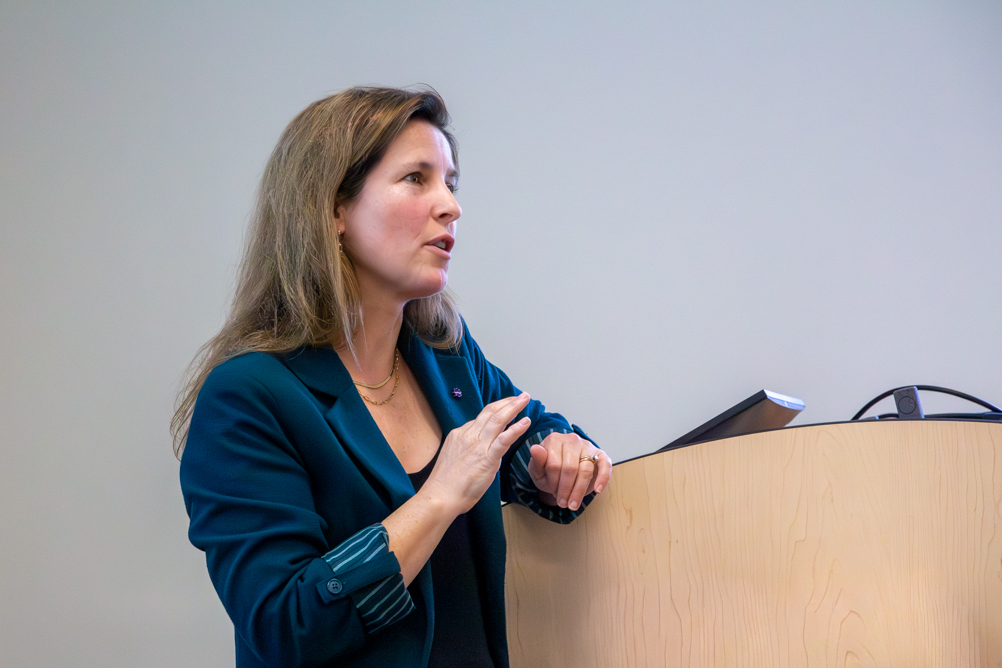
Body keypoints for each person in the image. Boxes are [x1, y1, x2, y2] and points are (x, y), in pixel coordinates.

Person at [174, 86, 612, 668]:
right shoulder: (247, 397)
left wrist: (557, 456)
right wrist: (437, 499)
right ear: (332, 210)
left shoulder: (449, 357)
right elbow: (286, 624)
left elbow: (529, 433)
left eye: (450, 183)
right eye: (416, 179)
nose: (450, 205)